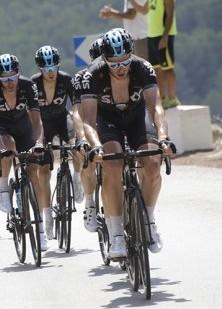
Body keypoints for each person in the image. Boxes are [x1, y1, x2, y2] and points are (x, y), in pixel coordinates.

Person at [80, 28, 173, 258]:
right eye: (114, 64)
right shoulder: (92, 75)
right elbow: (89, 121)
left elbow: (156, 108)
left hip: (136, 120)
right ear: (104, 60)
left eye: (125, 62)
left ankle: (149, 220)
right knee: (112, 165)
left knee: (152, 164)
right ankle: (116, 235)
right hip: (107, 122)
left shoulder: (142, 68)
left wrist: (162, 138)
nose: (120, 68)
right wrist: (96, 147)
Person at [0, 53, 48, 250]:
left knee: (33, 172)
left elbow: (37, 121)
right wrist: (1, 149)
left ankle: (40, 227)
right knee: (9, 146)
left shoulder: (28, 86)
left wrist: (38, 142)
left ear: (18, 74)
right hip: (2, 129)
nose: (10, 82)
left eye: (13, 77)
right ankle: (4, 187)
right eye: (5, 79)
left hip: (23, 127)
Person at [30, 46, 81, 240]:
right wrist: (38, 141)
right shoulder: (33, 84)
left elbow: (76, 109)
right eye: (46, 68)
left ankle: (76, 178)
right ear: (39, 68)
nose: (50, 72)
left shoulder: (67, 80)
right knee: (43, 171)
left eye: (54, 67)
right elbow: (32, 116)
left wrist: (78, 134)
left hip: (62, 120)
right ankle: (47, 214)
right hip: (43, 125)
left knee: (76, 146)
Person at [72, 37, 104, 233]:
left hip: (112, 123)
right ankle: (90, 203)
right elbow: (77, 111)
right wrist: (82, 138)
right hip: (88, 123)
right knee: (87, 159)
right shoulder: (82, 77)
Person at [131, 0, 180, 109]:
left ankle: (172, 98)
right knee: (156, 68)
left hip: (162, 35)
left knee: (168, 67)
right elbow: (143, 10)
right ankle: (163, 99)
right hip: (152, 35)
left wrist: (165, 36)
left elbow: (170, 13)